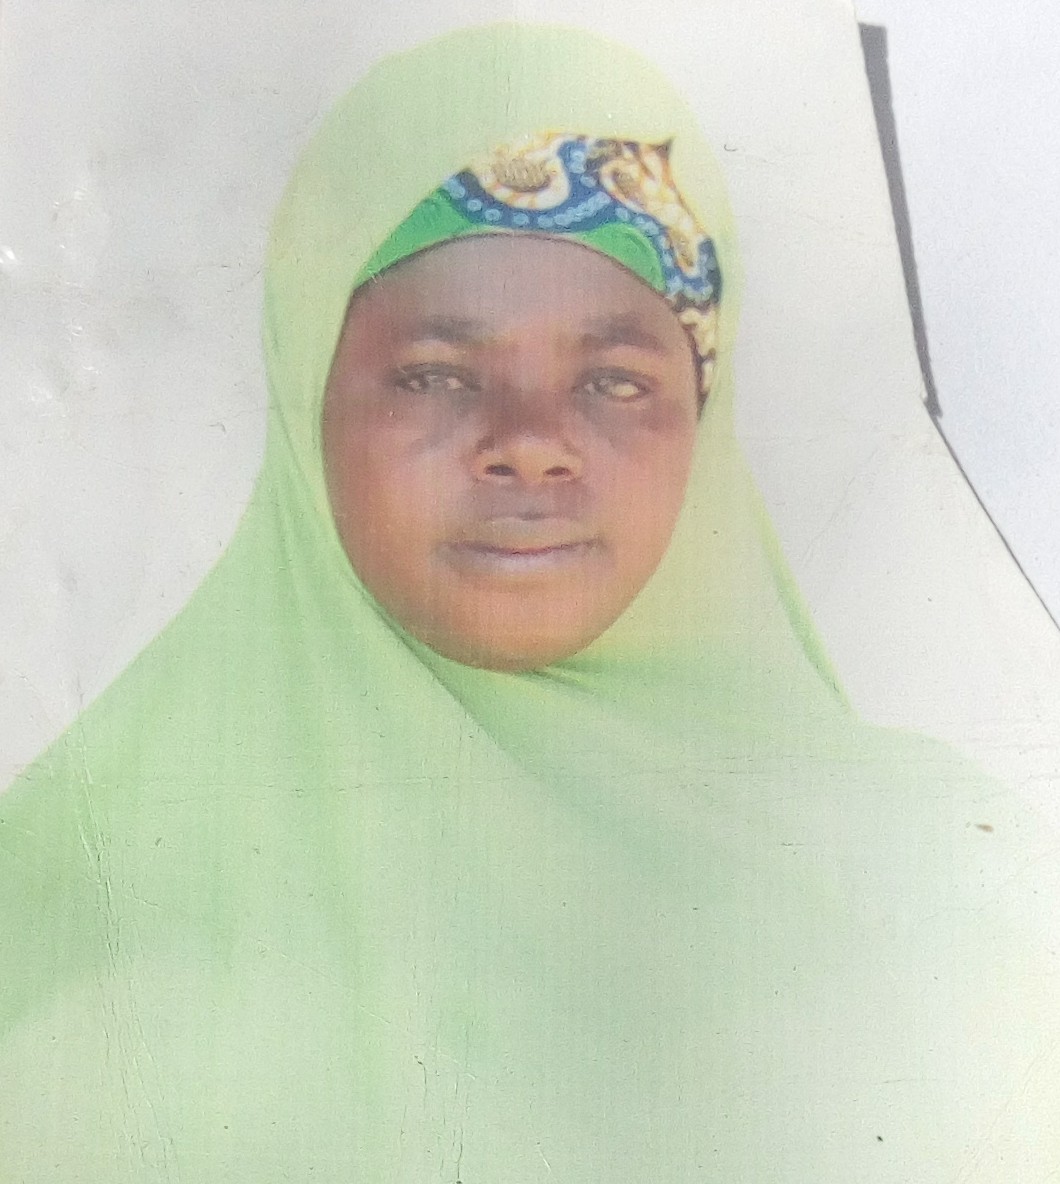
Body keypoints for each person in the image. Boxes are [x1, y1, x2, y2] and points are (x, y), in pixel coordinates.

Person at [1, 22, 1057, 1182]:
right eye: (435, 374)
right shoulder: (69, 902)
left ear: (702, 428)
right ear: (306, 393)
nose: (531, 443)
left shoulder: (947, 880)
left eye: (614, 380)